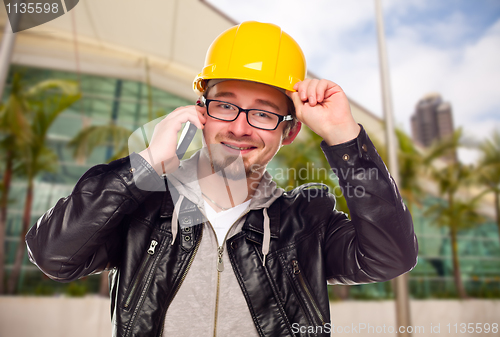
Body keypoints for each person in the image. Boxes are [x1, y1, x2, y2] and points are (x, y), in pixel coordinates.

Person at [26, 21, 418, 336]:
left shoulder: (306, 223)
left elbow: (390, 257)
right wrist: (144, 164)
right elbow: (54, 256)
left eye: (263, 114)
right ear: (202, 112)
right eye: (225, 105)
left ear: (290, 132)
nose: (241, 128)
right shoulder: (141, 207)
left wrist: (343, 137)